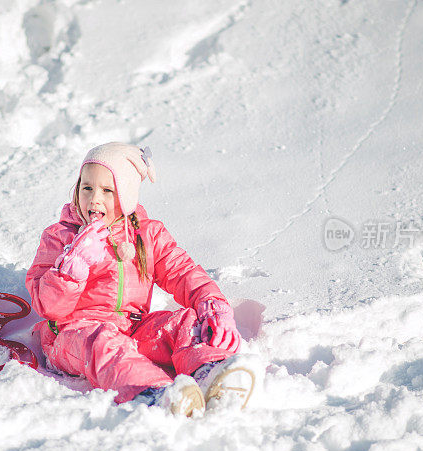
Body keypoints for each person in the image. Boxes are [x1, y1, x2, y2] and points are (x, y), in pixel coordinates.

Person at [25, 142, 258, 417]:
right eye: (87, 187)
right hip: (72, 335)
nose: (94, 199)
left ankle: (208, 372)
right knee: (103, 341)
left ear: (126, 195)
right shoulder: (60, 236)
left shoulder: (146, 235)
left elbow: (182, 272)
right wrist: (72, 266)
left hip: (133, 328)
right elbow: (46, 306)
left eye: (107, 191)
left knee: (182, 321)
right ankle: (152, 393)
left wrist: (212, 302)